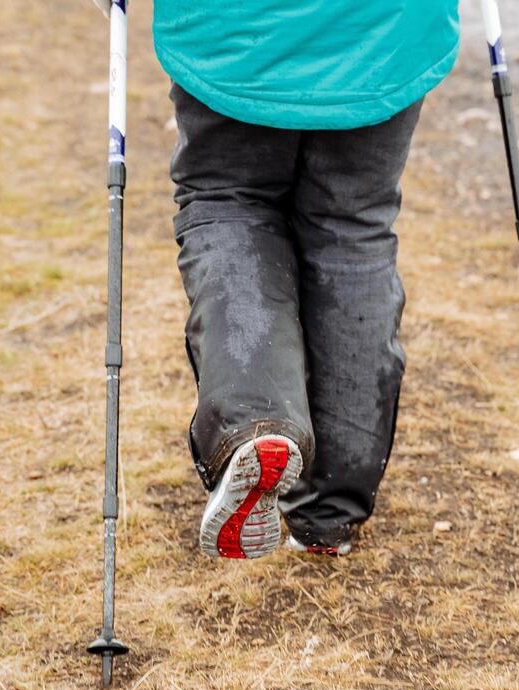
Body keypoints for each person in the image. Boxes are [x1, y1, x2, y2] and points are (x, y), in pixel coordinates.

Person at [151, 0, 460, 559]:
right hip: (384, 37)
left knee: (229, 202)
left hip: (234, 36)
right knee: (352, 228)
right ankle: (327, 514)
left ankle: (255, 420)